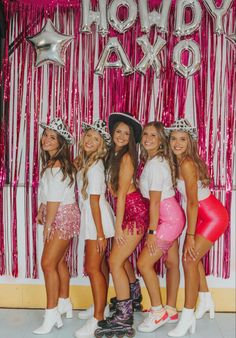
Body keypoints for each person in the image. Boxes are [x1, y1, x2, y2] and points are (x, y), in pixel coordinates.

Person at [165, 118, 229, 337]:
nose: (177, 143)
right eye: (173, 139)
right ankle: (207, 300)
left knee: (189, 259)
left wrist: (189, 235)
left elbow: (193, 202)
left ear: (190, 141)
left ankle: (188, 315)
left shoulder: (186, 163)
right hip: (202, 216)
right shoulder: (180, 161)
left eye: (182, 139)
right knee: (193, 258)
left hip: (212, 216)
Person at [95, 112, 149, 338]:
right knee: (121, 259)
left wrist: (117, 228)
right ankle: (133, 296)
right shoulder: (113, 155)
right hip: (125, 211)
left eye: (126, 134)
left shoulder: (126, 158)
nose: (121, 136)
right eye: (118, 131)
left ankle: (124, 318)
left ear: (131, 140)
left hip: (133, 212)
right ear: (112, 133)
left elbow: (122, 196)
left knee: (114, 261)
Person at [137, 121, 185, 333]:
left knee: (144, 263)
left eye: (153, 136)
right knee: (172, 263)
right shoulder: (157, 160)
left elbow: (155, 202)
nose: (147, 138)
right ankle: (171, 309)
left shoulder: (156, 164)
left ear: (161, 141)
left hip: (167, 219)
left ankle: (158, 313)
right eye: (145, 134)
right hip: (171, 214)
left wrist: (152, 231)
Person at [33, 118, 80, 335]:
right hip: (64, 214)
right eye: (46, 135)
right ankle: (64, 303)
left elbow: (54, 199)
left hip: (61, 216)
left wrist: (48, 225)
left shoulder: (57, 165)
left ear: (61, 143)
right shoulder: (53, 164)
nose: (46, 139)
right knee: (59, 262)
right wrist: (41, 207)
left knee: (47, 264)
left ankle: (51, 313)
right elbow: (49, 193)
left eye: (53, 137)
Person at [74, 120, 115, 338]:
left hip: (96, 219)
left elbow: (94, 202)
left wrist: (99, 234)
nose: (89, 140)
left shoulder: (96, 167)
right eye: (88, 136)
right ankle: (102, 308)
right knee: (99, 267)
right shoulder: (88, 161)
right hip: (94, 217)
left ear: (101, 145)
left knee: (92, 268)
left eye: (95, 139)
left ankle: (98, 318)